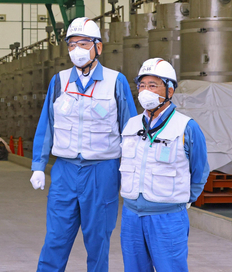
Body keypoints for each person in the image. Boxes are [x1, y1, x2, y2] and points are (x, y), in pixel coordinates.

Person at [30, 17, 137, 272]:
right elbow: (46, 125)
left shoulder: (115, 82)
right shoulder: (59, 81)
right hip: (65, 171)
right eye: (71, 44)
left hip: (102, 171)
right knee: (55, 240)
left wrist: (132, 173)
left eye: (83, 43)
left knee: (98, 243)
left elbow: (131, 132)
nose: (77, 49)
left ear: (98, 47)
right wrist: (38, 164)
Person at [119, 58, 210, 272]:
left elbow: (200, 170)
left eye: (153, 85)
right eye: (142, 85)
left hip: (168, 218)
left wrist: (184, 199)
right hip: (131, 216)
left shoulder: (186, 127)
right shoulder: (131, 125)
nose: (145, 91)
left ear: (169, 91)